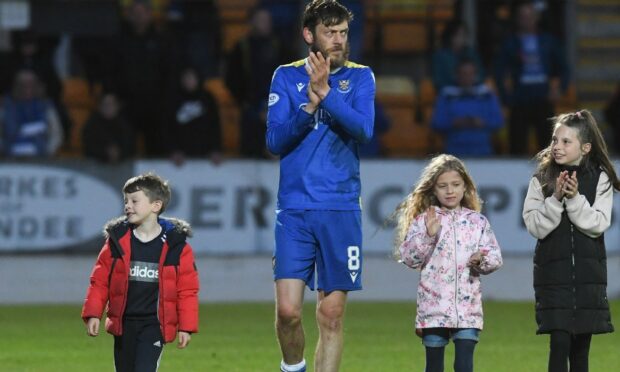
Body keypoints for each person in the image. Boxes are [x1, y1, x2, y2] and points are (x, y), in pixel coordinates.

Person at [265, 1, 375, 371]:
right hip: (294, 209)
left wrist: (327, 94)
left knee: (330, 315)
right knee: (288, 312)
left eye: (344, 32)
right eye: (330, 32)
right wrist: (307, 109)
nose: (339, 40)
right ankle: (293, 367)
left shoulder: (361, 77)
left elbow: (364, 130)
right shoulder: (285, 76)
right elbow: (275, 141)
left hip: (341, 208)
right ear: (309, 34)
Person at [522, 110, 617, 372]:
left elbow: (597, 224)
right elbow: (535, 226)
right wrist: (555, 199)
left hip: (588, 276)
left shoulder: (601, 178)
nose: (557, 147)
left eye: (566, 142)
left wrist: (574, 199)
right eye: (555, 140)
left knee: (580, 350)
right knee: (560, 341)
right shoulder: (540, 179)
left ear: (585, 148)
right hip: (553, 276)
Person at [394, 154, 503, 372]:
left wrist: (480, 259)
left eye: (455, 185)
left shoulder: (477, 221)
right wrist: (428, 235)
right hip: (434, 308)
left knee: (464, 366)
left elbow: (495, 257)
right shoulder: (424, 220)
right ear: (433, 189)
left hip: (467, 310)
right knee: (434, 367)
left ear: (466, 187)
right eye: (443, 186)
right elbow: (409, 258)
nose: (449, 191)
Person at [81, 172, 199, 372]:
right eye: (126, 201)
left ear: (156, 205)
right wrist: (93, 314)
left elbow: (187, 290)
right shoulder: (117, 242)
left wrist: (186, 326)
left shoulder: (176, 246)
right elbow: (100, 281)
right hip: (124, 325)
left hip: (154, 326)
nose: (128, 206)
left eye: (134, 201)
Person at [494, 0, 569, 155]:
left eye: (529, 16)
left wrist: (559, 89)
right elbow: (499, 72)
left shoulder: (548, 41)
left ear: (536, 18)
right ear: (517, 19)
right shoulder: (510, 43)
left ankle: (548, 177)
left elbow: (565, 69)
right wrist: (506, 97)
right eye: (522, 16)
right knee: (517, 145)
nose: (526, 20)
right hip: (519, 99)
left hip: (543, 98)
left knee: (548, 146)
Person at [225, 5, 288, 158]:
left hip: (276, 110)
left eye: (267, 20)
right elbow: (231, 79)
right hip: (250, 111)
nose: (265, 23)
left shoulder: (280, 46)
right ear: (252, 22)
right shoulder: (241, 47)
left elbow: (290, 77)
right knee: (249, 155)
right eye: (261, 20)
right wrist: (245, 102)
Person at [431, 59, 504, 157]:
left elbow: (498, 121)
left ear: (476, 75)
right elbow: (436, 123)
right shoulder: (446, 95)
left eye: (470, 74)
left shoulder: (487, 95)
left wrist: (482, 122)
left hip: (483, 152)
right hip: (454, 153)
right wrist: (453, 123)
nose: (467, 77)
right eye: (464, 74)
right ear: (456, 75)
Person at [0, 69, 63, 157]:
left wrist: (48, 152)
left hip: (40, 158)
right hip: (11, 158)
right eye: (23, 86)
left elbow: (56, 134)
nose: (27, 90)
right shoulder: (6, 106)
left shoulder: (46, 106)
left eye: (31, 85)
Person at [166, 66, 222, 166]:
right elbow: (167, 127)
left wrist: (215, 149)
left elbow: (215, 125)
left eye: (191, 78)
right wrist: (173, 150)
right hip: (180, 156)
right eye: (185, 77)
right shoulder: (173, 99)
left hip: (205, 155)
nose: (188, 81)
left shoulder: (207, 98)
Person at [431, 20, 484, 92]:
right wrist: (458, 87)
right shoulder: (440, 56)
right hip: (450, 97)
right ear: (450, 36)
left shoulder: (471, 53)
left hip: (472, 95)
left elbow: (480, 76)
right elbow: (438, 82)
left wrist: (469, 85)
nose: (460, 39)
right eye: (458, 35)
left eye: (463, 35)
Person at [82, 92, 135, 163]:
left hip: (122, 164)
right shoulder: (91, 125)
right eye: (105, 105)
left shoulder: (125, 124)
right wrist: (105, 153)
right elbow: (88, 147)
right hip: (96, 164)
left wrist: (119, 153)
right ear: (99, 106)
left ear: (117, 106)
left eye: (111, 104)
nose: (108, 108)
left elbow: (130, 146)